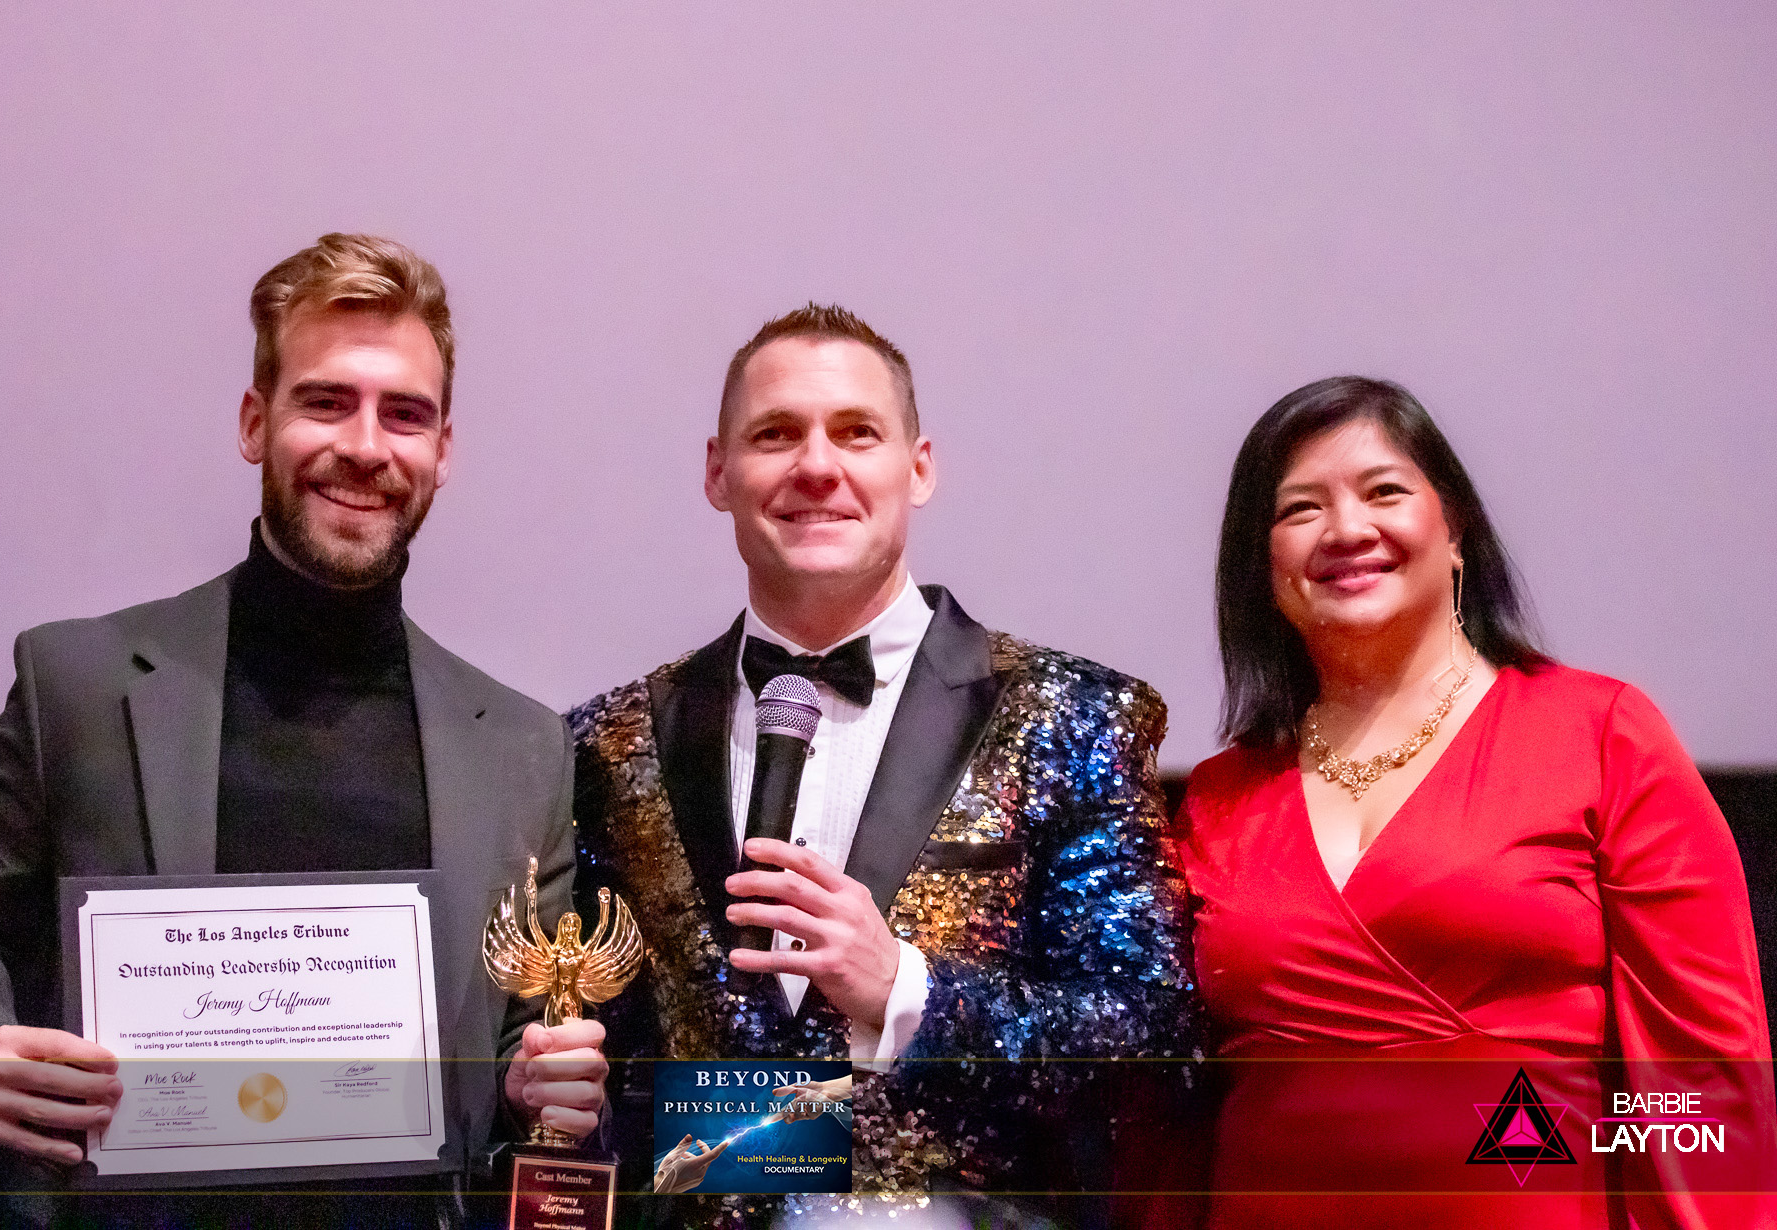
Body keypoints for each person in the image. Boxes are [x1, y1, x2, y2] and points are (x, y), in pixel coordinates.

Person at [0, 234, 606, 1217]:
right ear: (255, 423)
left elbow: (519, 1034)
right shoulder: (82, 684)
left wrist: (533, 1082)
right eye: (325, 402)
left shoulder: (522, 748)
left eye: (404, 414)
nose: (365, 446)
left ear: (442, 450)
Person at [566, 304, 1198, 1224]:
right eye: (775, 434)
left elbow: (1154, 1043)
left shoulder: (1074, 716)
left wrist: (906, 991)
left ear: (919, 466)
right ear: (718, 472)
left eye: (856, 432)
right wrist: (563, 1099)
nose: (816, 466)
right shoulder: (607, 742)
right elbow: (609, 1063)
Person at [1176, 375, 1775, 1228]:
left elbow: (1705, 1072)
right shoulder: (1217, 799)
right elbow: (1171, 1107)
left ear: (1454, 529)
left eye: (1384, 491)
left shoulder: (1600, 735)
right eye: (1300, 509)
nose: (1346, 529)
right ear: (1262, 568)